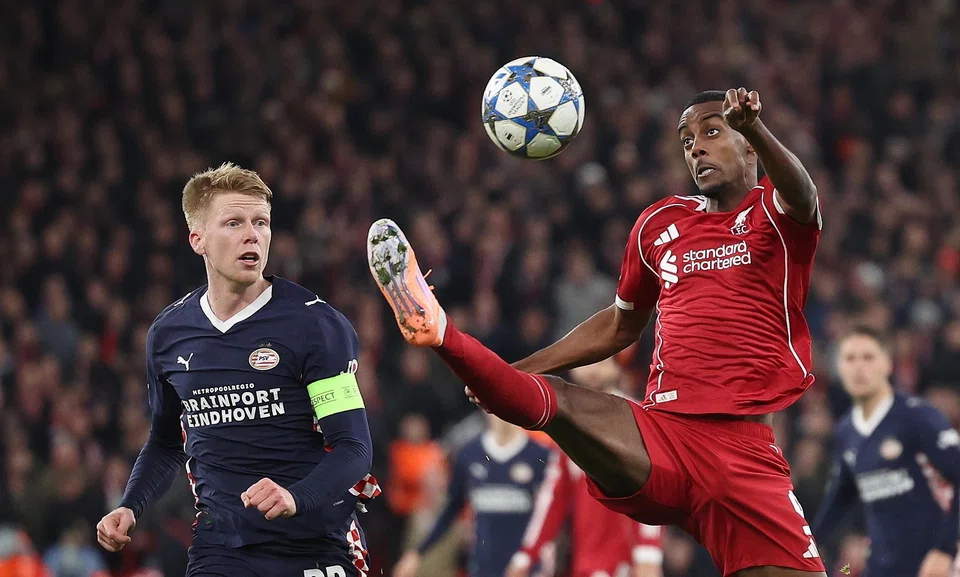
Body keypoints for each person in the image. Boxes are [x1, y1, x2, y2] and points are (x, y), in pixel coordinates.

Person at [367, 88, 828, 577]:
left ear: (750, 146)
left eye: (712, 131)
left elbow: (803, 195)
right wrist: (520, 370)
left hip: (745, 456)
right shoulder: (659, 223)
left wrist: (755, 124)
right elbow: (619, 324)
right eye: (686, 139)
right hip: (664, 436)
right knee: (561, 402)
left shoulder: (776, 217)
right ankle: (438, 331)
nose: (696, 147)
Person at [96, 163, 379, 577]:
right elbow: (165, 443)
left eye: (261, 222)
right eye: (233, 222)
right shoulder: (169, 335)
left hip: (315, 541)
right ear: (198, 240)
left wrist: (295, 497)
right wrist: (129, 505)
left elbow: (354, 447)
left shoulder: (316, 325)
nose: (252, 234)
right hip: (223, 546)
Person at [811, 326, 960, 577]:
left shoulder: (917, 417)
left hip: (934, 565)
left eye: (868, 357)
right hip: (883, 566)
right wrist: (810, 547)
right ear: (840, 368)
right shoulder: (847, 430)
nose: (859, 367)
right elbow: (841, 495)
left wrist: (944, 550)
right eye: (850, 358)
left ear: (887, 364)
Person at [507, 359, 664, 577]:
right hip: (584, 564)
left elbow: (653, 488)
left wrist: (648, 552)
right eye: (587, 361)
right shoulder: (566, 422)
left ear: (617, 366)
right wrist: (526, 555)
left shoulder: (635, 417)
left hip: (626, 565)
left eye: (603, 361)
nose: (593, 370)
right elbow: (553, 497)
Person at [393, 412, 551, 577]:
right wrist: (417, 553)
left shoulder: (539, 456)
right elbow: (451, 509)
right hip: (483, 568)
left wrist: (539, 556)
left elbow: (551, 513)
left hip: (524, 569)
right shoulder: (470, 454)